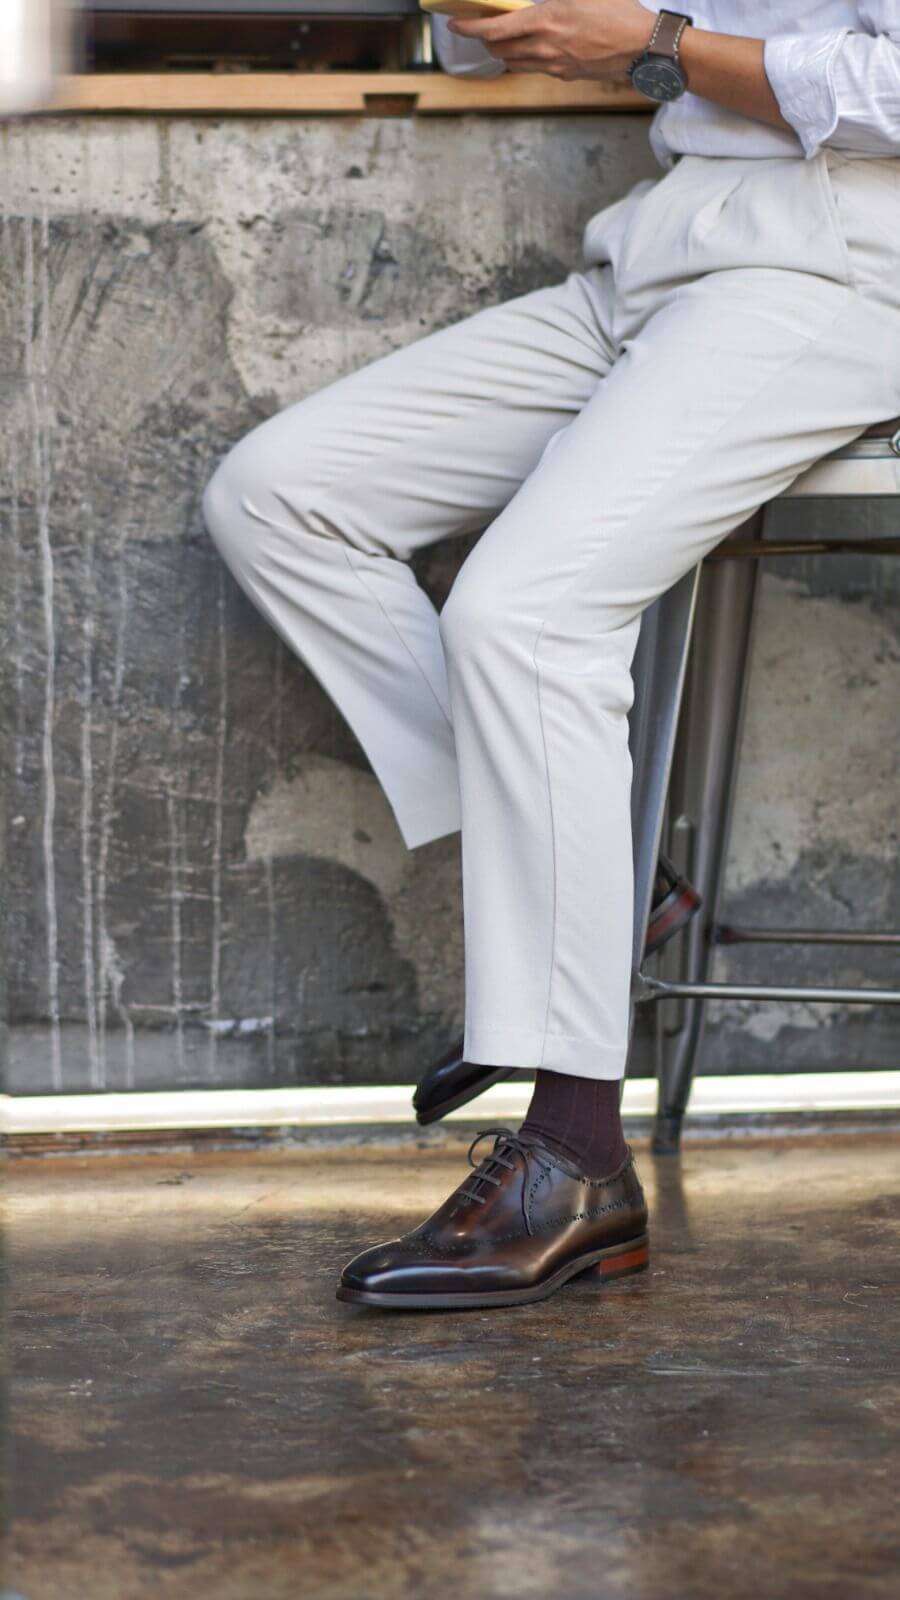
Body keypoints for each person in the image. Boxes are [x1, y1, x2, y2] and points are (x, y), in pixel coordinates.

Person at [203, 2, 900, 1311]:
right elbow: (507, 43)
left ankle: (577, 1159)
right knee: (279, 494)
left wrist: (657, 46)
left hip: (840, 270)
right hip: (657, 258)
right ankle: (611, 890)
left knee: (524, 614)